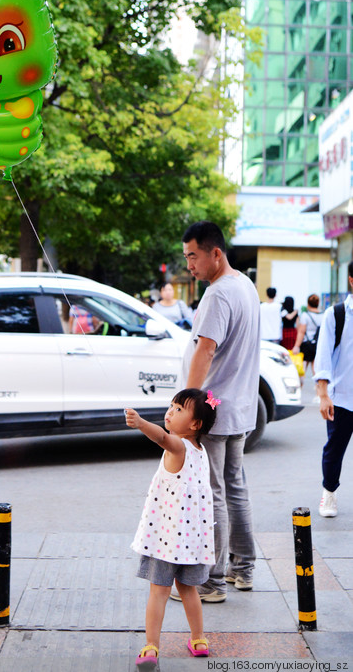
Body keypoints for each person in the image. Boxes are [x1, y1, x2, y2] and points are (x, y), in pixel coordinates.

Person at [177, 220, 260, 603]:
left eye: (193, 255)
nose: (189, 264)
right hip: (239, 409)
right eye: (186, 256)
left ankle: (211, 581)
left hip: (211, 411)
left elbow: (205, 351)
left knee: (212, 493)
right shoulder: (245, 285)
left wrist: (185, 406)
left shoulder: (218, 294)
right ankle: (243, 570)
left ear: (215, 253)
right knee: (234, 490)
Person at [126, 388, 218, 665]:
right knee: (188, 590)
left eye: (179, 409)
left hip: (166, 539)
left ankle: (151, 646)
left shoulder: (179, 446)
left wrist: (141, 424)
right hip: (193, 543)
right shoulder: (201, 452)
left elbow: (162, 438)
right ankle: (198, 638)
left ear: (195, 424)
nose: (170, 412)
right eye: (171, 406)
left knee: (159, 591)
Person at [313, 260, 353, 519]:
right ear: (351, 281)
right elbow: (324, 356)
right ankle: (329, 493)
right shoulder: (337, 314)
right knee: (335, 449)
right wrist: (323, 395)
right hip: (342, 397)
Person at [292, 294, 323, 379]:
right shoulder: (323, 315)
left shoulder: (305, 315)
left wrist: (296, 346)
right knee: (316, 369)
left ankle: (299, 388)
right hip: (317, 344)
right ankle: (318, 389)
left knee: (302, 369)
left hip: (306, 344)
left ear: (308, 304)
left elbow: (301, 332)